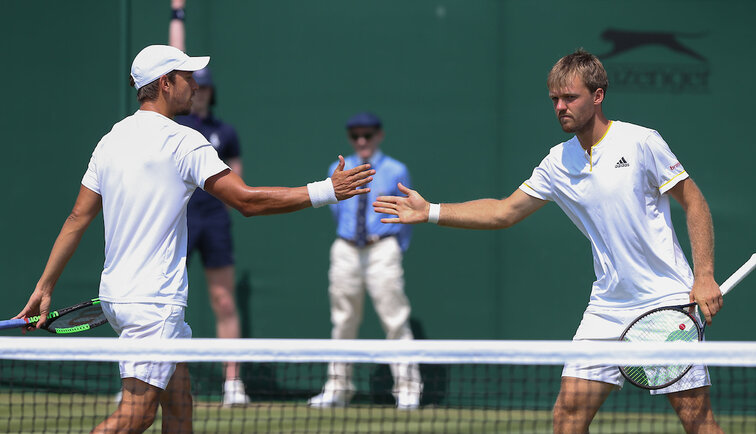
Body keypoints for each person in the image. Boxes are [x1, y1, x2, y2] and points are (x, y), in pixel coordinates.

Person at [15, 44, 374, 433]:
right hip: (153, 304)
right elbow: (247, 201)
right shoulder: (184, 141)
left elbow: (76, 218)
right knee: (136, 416)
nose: (196, 84)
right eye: (187, 77)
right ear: (166, 84)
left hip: (120, 298)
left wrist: (44, 286)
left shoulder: (110, 141)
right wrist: (326, 191)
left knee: (180, 405)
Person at [373, 49, 723, 433]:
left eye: (570, 97)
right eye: (554, 99)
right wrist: (431, 211)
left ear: (598, 95)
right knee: (567, 416)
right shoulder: (558, 162)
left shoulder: (641, 142)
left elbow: (695, 202)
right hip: (607, 307)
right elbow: (504, 212)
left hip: (664, 301)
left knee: (697, 421)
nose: (560, 106)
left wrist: (703, 275)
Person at [307, 112, 423, 410]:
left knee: (395, 318)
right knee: (342, 320)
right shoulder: (337, 168)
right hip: (345, 249)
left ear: (379, 136)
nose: (362, 141)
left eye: (368, 135)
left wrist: (394, 247)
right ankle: (338, 388)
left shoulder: (397, 169)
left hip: (382, 249)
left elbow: (407, 214)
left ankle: (408, 390)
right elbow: (337, 211)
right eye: (356, 135)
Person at [169, 0, 248, 406]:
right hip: (179, 220)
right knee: (163, 300)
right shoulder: (177, 124)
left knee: (222, 298)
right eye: (192, 81)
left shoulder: (226, 132)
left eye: (204, 84)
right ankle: (141, 377)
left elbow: (239, 182)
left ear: (211, 90)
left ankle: (232, 383)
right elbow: (174, 58)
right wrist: (177, 14)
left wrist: (246, 201)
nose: (198, 89)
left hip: (215, 220)